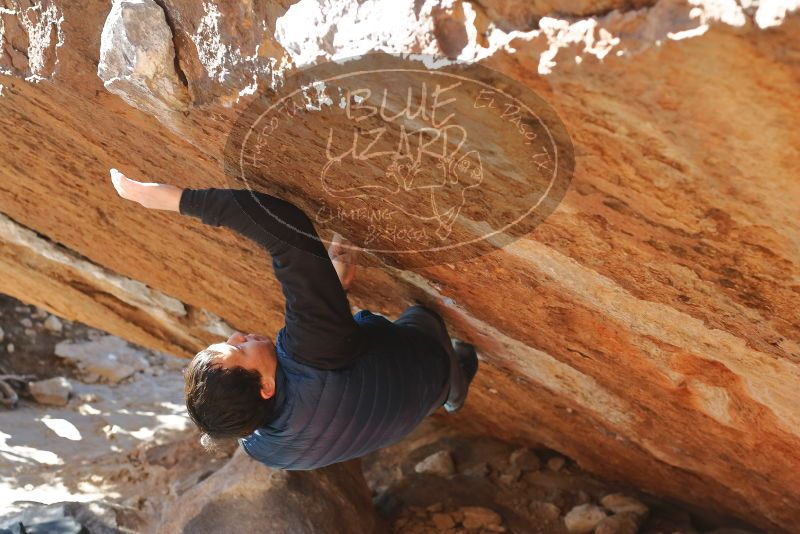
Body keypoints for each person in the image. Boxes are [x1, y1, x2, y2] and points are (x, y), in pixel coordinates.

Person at [109, 169, 478, 470]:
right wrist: (176, 199)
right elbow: (287, 233)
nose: (237, 335)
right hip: (422, 363)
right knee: (421, 315)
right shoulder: (311, 351)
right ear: (265, 387)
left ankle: (448, 395)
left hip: (402, 413)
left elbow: (322, 377)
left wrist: (330, 296)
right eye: (238, 350)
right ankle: (452, 377)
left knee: (351, 354)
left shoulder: (263, 448)